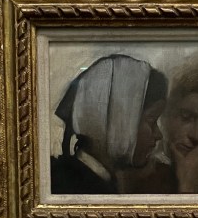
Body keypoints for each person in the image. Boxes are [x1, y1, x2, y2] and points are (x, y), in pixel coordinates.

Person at [51, 54, 167, 194]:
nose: (159, 135)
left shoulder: (98, 180)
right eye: (152, 120)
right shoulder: (72, 185)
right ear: (121, 121)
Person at [130, 63, 198, 194]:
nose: (196, 135)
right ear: (167, 117)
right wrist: (188, 187)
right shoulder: (141, 178)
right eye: (186, 118)